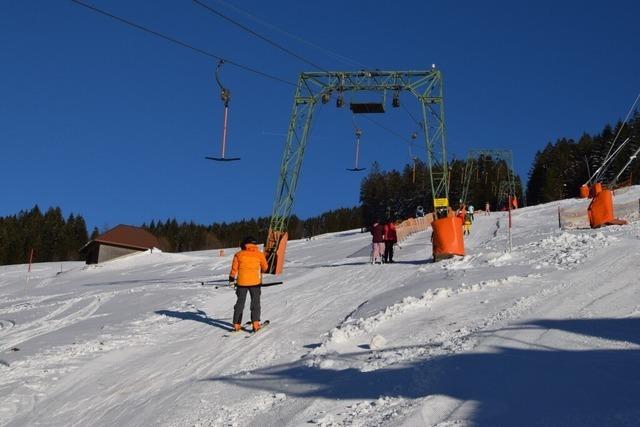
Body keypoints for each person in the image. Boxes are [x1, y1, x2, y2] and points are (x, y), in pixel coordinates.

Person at [229, 236, 269, 332]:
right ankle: (255, 324)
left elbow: (234, 269)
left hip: (241, 283)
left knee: (240, 303)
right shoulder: (259, 254)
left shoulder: (238, 254)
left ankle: (236, 324)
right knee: (255, 303)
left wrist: (231, 279)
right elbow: (265, 267)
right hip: (255, 282)